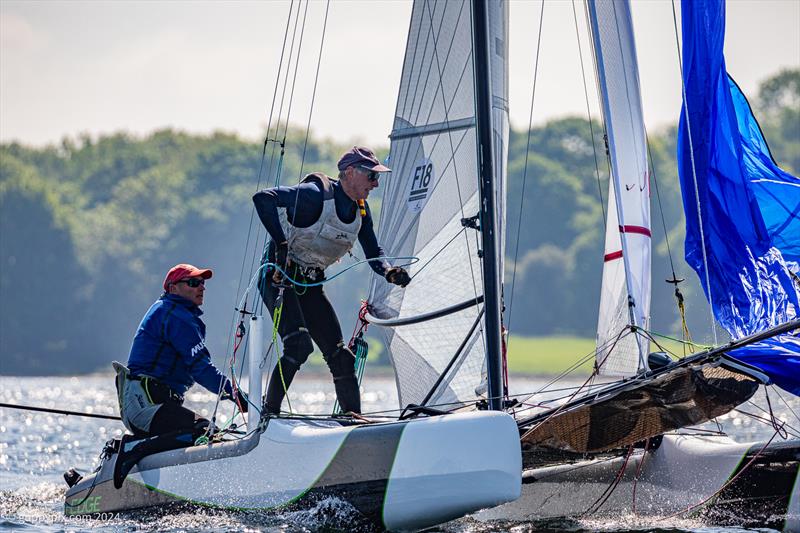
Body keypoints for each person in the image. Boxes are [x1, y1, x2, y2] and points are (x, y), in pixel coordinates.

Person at [253, 146, 411, 415]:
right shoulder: (314, 196)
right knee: (299, 345)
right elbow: (263, 198)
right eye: (371, 177)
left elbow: (374, 252)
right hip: (279, 280)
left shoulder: (361, 210)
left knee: (341, 358)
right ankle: (269, 415)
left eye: (377, 178)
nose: (375, 184)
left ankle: (353, 421)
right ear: (349, 173)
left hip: (311, 285)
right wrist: (280, 243)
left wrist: (388, 271)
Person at [117, 263, 246, 439]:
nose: (201, 287)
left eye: (202, 282)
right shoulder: (175, 315)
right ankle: (130, 451)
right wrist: (237, 395)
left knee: (204, 434)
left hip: (147, 403)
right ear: (173, 288)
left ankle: (137, 449)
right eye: (193, 282)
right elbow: (201, 369)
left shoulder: (170, 310)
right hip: (146, 404)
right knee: (207, 434)